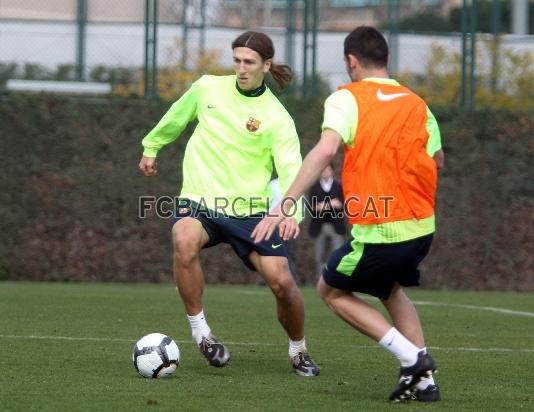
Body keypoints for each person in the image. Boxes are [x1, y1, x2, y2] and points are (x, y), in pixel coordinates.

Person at [252, 26, 444, 401]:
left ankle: (412, 360)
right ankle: (426, 384)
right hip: (421, 226)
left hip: (382, 230)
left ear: (351, 62)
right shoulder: (416, 103)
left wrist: (287, 202)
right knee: (390, 290)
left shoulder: (347, 99)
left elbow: (326, 151)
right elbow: (437, 158)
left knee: (331, 290)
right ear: (386, 60)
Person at [138, 31, 319, 377]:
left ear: (266, 65)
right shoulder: (207, 88)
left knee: (282, 283)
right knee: (183, 240)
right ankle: (201, 333)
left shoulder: (277, 118)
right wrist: (151, 147)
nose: (241, 69)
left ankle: (298, 349)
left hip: (251, 212)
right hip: (200, 200)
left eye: (249, 62)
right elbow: (176, 116)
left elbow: (292, 168)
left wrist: (291, 212)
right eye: (236, 60)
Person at [308, 163, 347, 282]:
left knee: (337, 254)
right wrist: (331, 204)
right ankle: (321, 280)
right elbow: (313, 207)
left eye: (327, 170)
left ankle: (336, 279)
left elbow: (341, 205)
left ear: (332, 172)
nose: (325, 172)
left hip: (336, 226)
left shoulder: (339, 187)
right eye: (323, 170)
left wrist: (323, 205)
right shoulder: (314, 187)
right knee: (319, 256)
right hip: (319, 226)